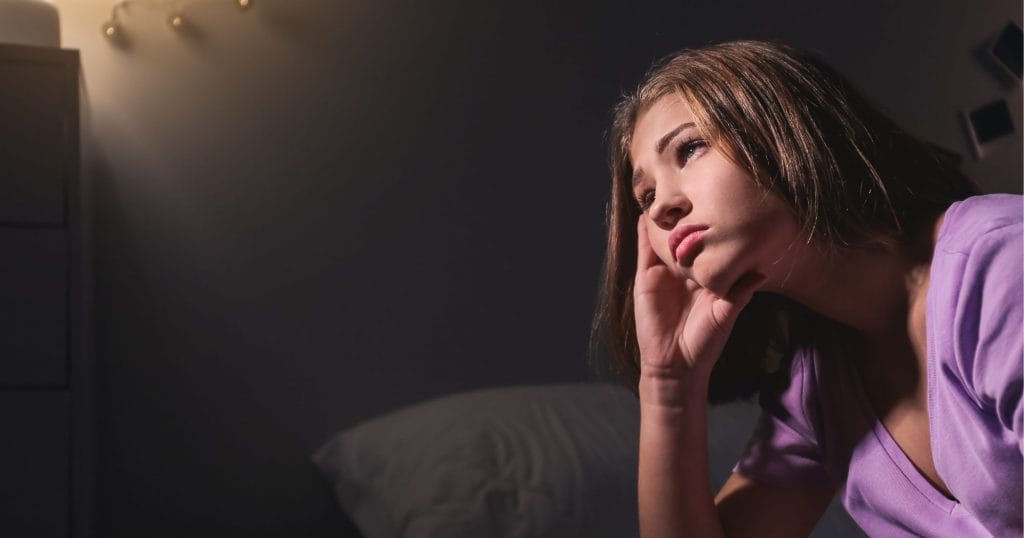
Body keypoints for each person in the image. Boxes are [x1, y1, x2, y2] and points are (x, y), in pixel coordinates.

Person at [592, 40, 1022, 537]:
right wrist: (668, 387)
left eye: (689, 148)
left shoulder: (1001, 264)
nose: (662, 206)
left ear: (780, 124)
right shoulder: (816, 392)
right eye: (644, 197)